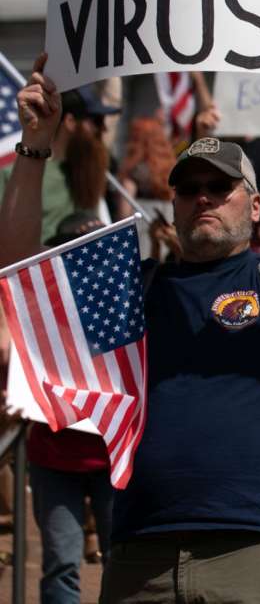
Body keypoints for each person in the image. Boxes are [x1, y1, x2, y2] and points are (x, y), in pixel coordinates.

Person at [1, 35, 260, 603]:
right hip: (139, 560)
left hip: (252, 556)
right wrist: (36, 146)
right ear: (173, 204)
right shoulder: (134, 290)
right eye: (188, 189)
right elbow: (20, 272)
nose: (203, 198)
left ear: (254, 207)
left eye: (220, 187)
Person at [26, 217, 115, 604]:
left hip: (114, 458)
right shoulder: (38, 308)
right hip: (54, 457)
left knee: (123, 561)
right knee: (61, 564)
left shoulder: (125, 308)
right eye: (72, 251)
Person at [0, 83, 120, 242]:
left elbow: (114, 100)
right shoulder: (17, 174)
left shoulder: (88, 172)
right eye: (96, 121)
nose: (103, 129)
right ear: (70, 121)